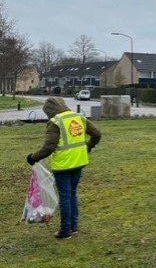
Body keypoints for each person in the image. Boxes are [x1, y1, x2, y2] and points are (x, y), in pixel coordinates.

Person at [27, 97, 101, 239]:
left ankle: (65, 230)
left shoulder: (55, 122)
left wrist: (33, 157)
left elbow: (49, 147)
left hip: (63, 165)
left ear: (49, 111)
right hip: (79, 161)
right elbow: (97, 134)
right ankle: (73, 226)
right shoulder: (78, 117)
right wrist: (88, 146)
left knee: (65, 196)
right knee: (72, 193)